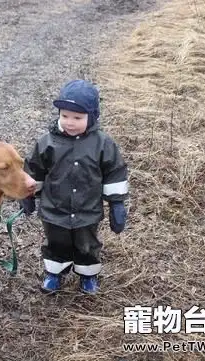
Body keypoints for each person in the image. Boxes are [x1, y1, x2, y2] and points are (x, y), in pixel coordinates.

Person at [20, 79, 129, 294]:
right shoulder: (47, 142)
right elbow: (34, 169)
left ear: (92, 116)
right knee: (56, 243)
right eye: (65, 116)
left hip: (87, 211)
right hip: (54, 209)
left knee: (87, 245)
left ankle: (88, 276)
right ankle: (54, 273)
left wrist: (116, 204)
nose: (70, 122)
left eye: (77, 118)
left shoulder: (103, 143)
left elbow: (114, 172)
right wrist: (28, 194)